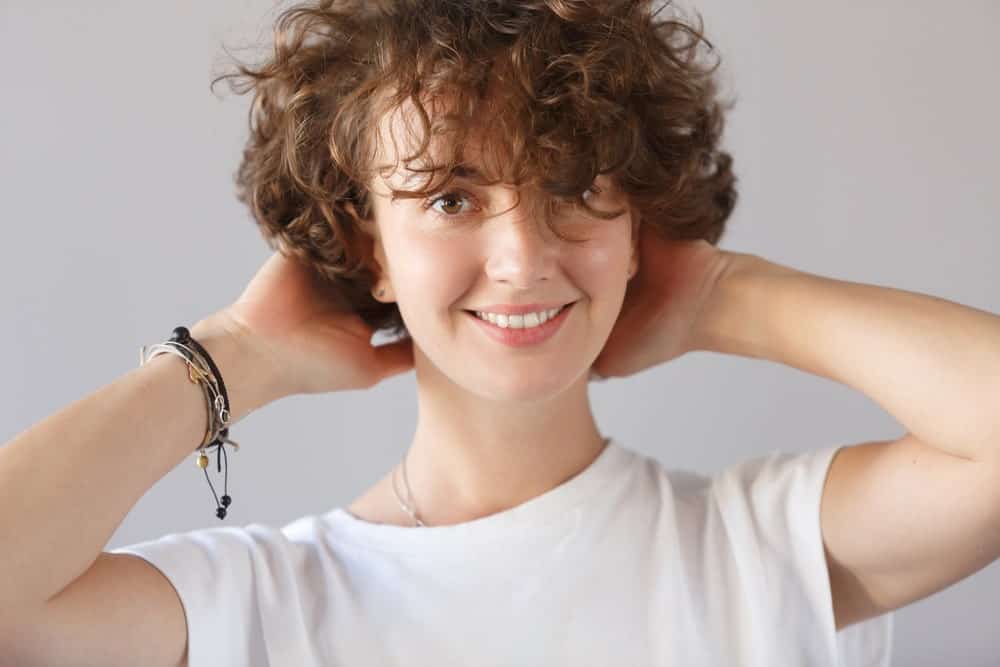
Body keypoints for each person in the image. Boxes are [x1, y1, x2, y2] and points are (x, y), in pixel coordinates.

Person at [4, 1, 999, 665]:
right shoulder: (260, 604)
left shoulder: (764, 551)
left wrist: (720, 296)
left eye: (574, 187)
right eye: (447, 197)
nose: (522, 259)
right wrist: (229, 358)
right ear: (368, 242)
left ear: (636, 217)